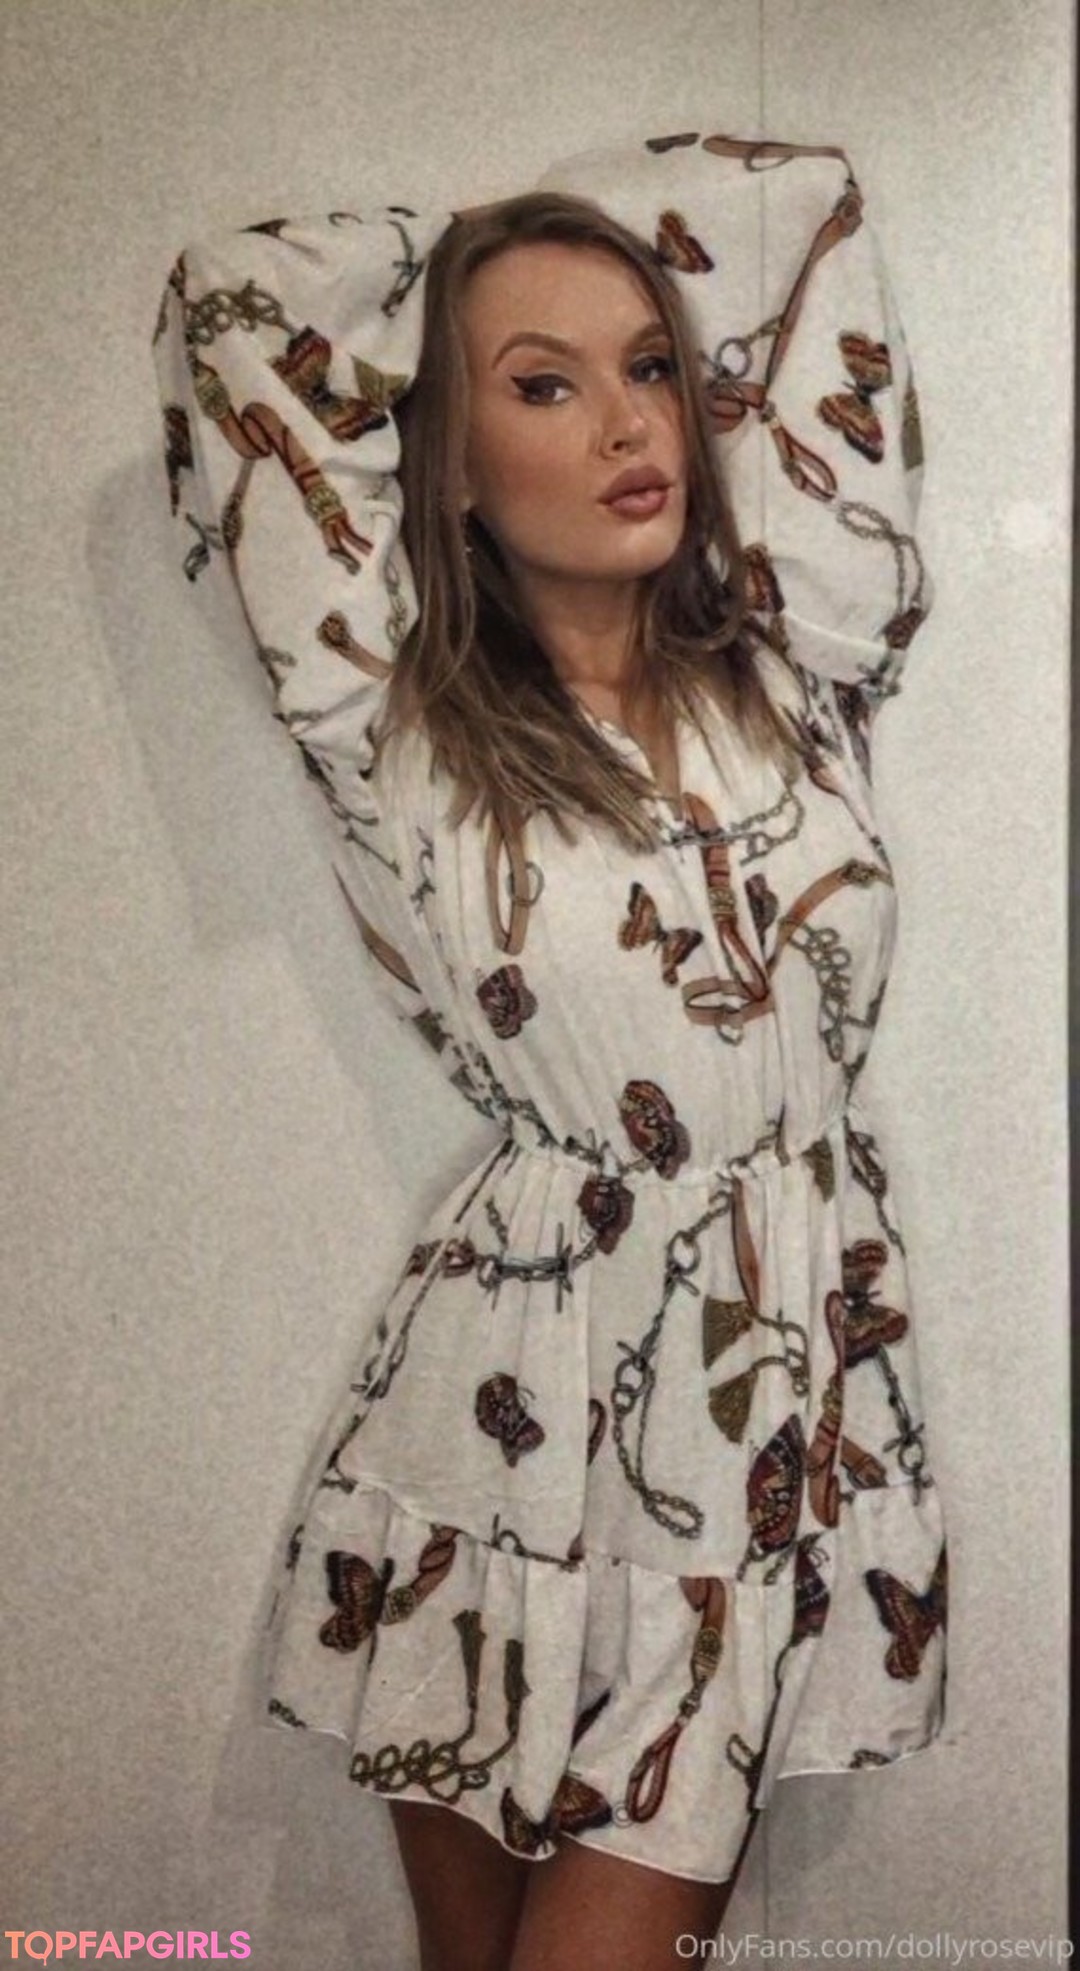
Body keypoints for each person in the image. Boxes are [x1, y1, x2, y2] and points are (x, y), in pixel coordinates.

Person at [153, 137, 948, 1971]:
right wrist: (465, 253)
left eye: (649, 365)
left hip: (778, 1398)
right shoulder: (384, 708)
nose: (625, 422)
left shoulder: (802, 663)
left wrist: (554, 262)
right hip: (506, 1422)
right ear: (443, 455)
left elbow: (801, 205)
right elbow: (236, 305)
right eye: (542, 387)